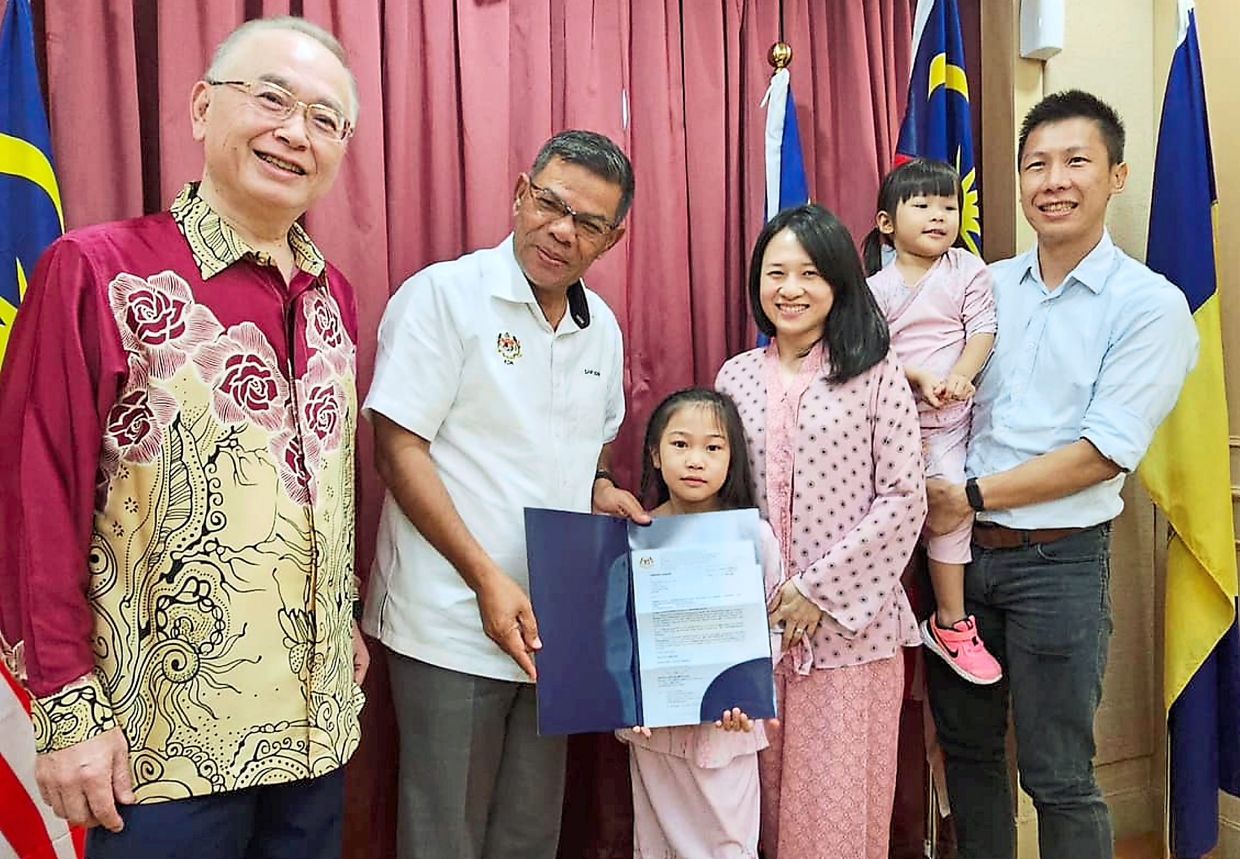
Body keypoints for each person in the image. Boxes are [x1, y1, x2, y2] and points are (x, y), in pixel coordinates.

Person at [0, 16, 367, 859]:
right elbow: (34, 498)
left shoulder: (334, 297)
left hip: (314, 733)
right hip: (153, 751)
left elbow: (326, 481)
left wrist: (337, 609)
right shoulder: (95, 271)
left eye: (324, 119)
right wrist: (66, 709)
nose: (293, 133)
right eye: (271, 98)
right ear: (202, 108)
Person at [924, 90, 1198, 859]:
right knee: (970, 758)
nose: (1054, 180)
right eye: (1036, 164)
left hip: (1059, 563)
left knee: (1058, 773)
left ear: (1115, 176)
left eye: (1076, 161)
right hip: (958, 563)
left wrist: (970, 496)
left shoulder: (1150, 306)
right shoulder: (982, 287)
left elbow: (1104, 450)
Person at [362, 130, 646, 859]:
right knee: (445, 833)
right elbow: (398, 449)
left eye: (587, 223)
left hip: (553, 629)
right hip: (451, 619)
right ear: (520, 194)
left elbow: (595, 447)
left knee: (528, 831)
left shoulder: (602, 330)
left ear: (611, 240)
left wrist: (603, 487)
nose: (561, 230)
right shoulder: (443, 296)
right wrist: (486, 576)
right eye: (550, 204)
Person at [715, 203, 926, 858]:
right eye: (775, 272)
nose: (790, 288)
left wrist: (817, 590)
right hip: (754, 633)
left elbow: (904, 498)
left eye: (809, 273)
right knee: (754, 808)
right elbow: (719, 495)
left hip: (848, 636)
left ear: (838, 281)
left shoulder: (876, 372)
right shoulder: (734, 376)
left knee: (833, 820)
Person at [616, 387, 785, 859]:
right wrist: (627, 699)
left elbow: (775, 625)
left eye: (713, 447)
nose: (696, 460)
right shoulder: (633, 538)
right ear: (654, 453)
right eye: (680, 444)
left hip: (725, 729)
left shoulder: (755, 537)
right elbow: (619, 634)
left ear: (732, 459)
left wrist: (745, 688)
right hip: (654, 732)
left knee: (727, 847)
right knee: (656, 845)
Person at [862, 158, 1000, 685]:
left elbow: (982, 332)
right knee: (880, 516)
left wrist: (961, 378)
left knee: (950, 510)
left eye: (949, 206)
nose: (939, 216)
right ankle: (871, 613)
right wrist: (916, 377)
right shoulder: (876, 288)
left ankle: (950, 622)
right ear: (887, 222)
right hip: (888, 425)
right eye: (922, 205)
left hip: (949, 423)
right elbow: (866, 356)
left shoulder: (968, 270)